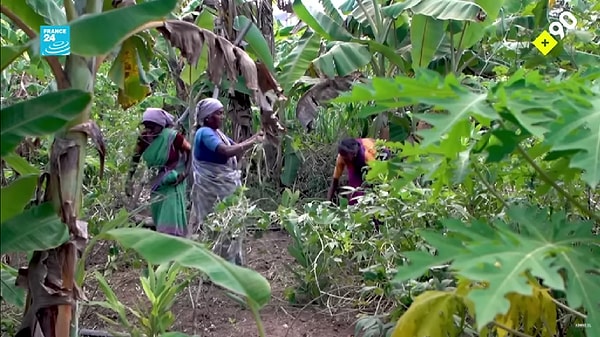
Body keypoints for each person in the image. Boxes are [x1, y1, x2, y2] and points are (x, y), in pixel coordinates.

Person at [190, 98, 263, 264]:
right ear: (208, 117)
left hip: (224, 184)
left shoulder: (218, 134)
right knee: (219, 226)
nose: (222, 117)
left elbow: (236, 148)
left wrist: (255, 138)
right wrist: (252, 141)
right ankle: (222, 268)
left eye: (223, 113)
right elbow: (226, 151)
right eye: (219, 113)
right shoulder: (205, 133)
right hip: (213, 187)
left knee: (230, 224)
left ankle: (232, 264)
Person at [125, 108, 192, 237]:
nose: (149, 130)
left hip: (174, 180)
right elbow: (135, 158)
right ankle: (163, 236)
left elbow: (190, 151)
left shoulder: (173, 137)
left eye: (152, 127)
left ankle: (172, 239)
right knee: (158, 209)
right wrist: (129, 180)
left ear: (161, 125)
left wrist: (185, 174)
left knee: (171, 210)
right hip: (157, 181)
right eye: (146, 126)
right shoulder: (143, 138)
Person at [327, 137, 389, 205]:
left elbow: (378, 176)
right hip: (357, 164)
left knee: (371, 190)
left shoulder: (366, 155)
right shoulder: (341, 158)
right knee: (355, 194)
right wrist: (328, 202)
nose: (348, 159)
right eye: (346, 158)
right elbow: (335, 180)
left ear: (354, 153)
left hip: (378, 161)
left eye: (351, 156)